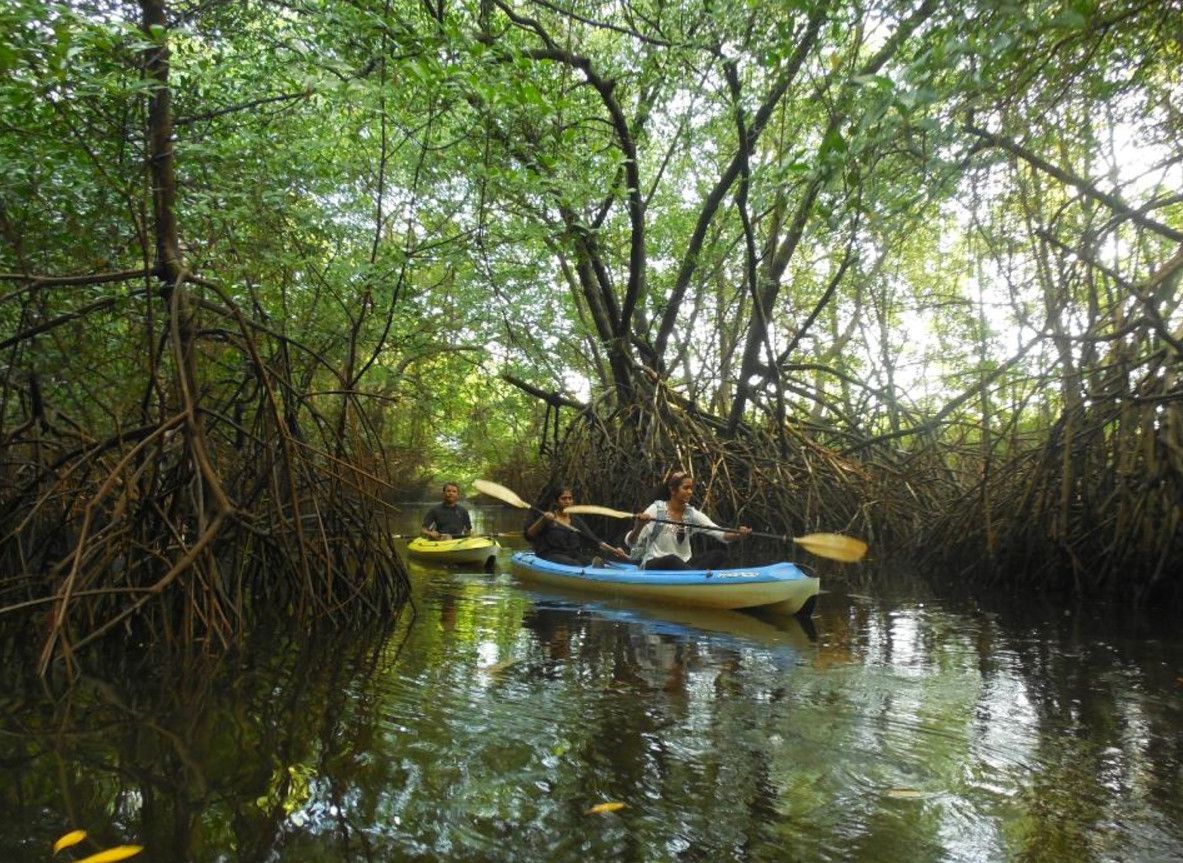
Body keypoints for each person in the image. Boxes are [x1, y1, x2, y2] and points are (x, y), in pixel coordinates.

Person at [625, 470, 751, 570]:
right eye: (686, 488)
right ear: (673, 490)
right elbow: (631, 542)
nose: (690, 492)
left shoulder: (691, 514)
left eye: (691, 488)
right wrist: (639, 526)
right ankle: (696, 578)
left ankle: (693, 576)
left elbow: (720, 533)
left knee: (719, 555)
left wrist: (738, 534)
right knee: (672, 559)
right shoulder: (656, 510)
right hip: (656, 563)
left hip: (684, 564)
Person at [525, 483, 629, 566]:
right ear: (556, 501)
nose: (567, 501)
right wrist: (543, 520)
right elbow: (529, 535)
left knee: (600, 562)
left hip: (571, 554)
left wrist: (615, 550)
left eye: (570, 498)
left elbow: (594, 540)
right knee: (574, 564)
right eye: (563, 498)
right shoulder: (549, 518)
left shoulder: (575, 521)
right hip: (551, 555)